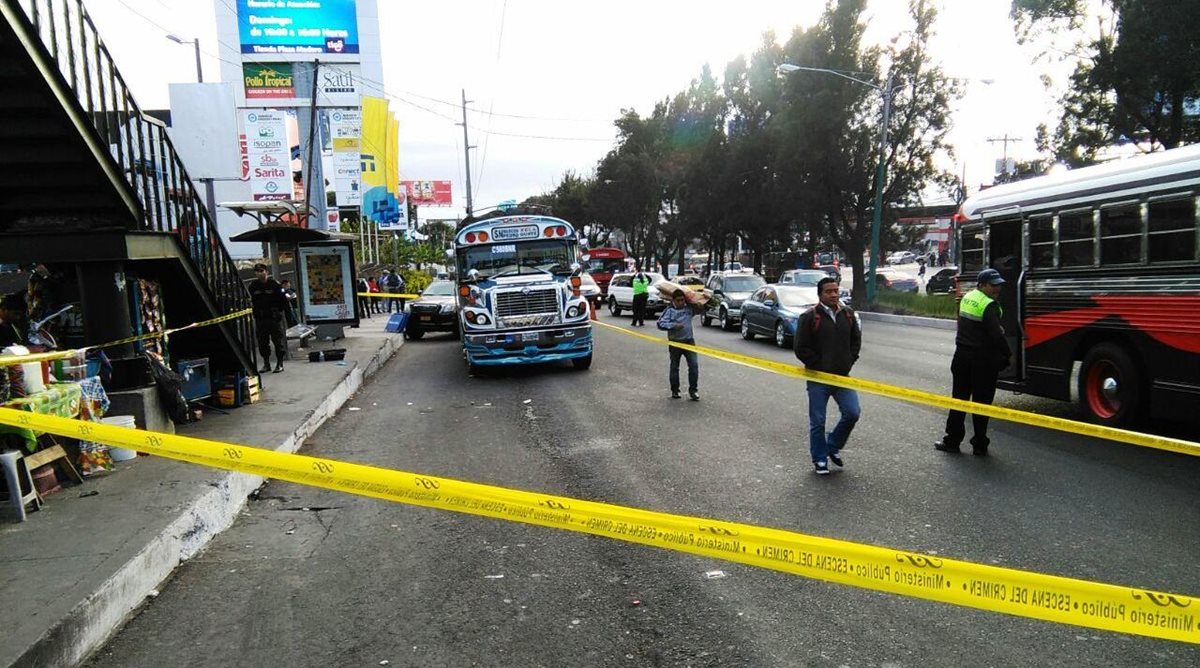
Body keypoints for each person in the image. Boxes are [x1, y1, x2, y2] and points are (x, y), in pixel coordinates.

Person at [935, 268, 1011, 456]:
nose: (997, 289)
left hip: (961, 357)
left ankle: (952, 441)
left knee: (959, 401)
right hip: (982, 361)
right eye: (993, 286)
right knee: (981, 403)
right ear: (982, 285)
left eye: (999, 285)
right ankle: (979, 444)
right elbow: (995, 334)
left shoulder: (967, 298)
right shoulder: (988, 305)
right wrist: (1007, 354)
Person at [794, 277, 862, 475]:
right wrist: (820, 365)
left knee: (852, 413)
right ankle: (820, 458)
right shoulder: (809, 317)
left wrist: (848, 361)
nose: (833, 294)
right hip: (818, 379)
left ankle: (832, 445)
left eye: (836, 290)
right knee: (818, 421)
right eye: (828, 291)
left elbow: (855, 342)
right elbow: (801, 348)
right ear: (820, 294)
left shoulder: (848, 314)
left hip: (842, 377)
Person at [656, 289, 703, 400]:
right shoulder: (669, 311)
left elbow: (700, 310)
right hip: (675, 342)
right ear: (673, 301)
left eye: (682, 300)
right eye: (678, 300)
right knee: (674, 367)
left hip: (689, 341)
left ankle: (693, 390)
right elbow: (660, 323)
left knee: (694, 365)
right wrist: (673, 326)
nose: (681, 302)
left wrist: (701, 304)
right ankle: (675, 390)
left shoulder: (688, 309)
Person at [248, 263, 288, 374]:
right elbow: (252, 300)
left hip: (273, 318)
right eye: (257, 271)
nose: (259, 273)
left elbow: (283, 301)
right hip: (260, 318)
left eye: (261, 271)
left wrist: (277, 312)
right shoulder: (253, 286)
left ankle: (280, 364)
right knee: (262, 342)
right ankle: (266, 364)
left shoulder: (274, 285)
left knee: (277, 341)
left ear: (266, 272)